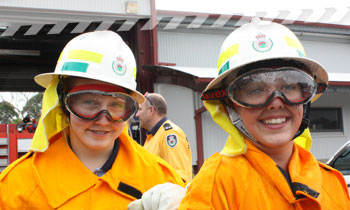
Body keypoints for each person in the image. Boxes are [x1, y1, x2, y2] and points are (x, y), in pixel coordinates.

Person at [129, 18, 350, 210]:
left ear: (307, 96)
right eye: (255, 89)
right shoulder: (217, 184)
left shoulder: (332, 183)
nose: (275, 103)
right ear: (229, 106)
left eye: (290, 86)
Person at [0, 30, 184, 209]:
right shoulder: (17, 187)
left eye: (117, 105)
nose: (103, 120)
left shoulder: (159, 180)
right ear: (64, 103)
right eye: (89, 102)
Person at [135, 93, 192, 183]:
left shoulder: (169, 134)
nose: (137, 115)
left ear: (151, 110)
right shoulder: (152, 136)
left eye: (140, 109)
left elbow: (179, 178)